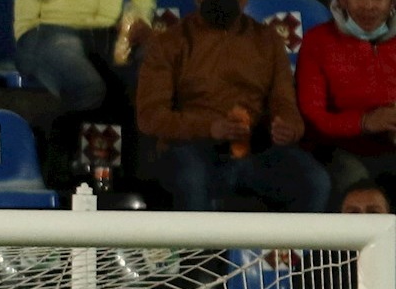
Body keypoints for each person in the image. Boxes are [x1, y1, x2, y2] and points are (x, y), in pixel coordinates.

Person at [135, 0, 328, 212]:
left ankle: (291, 246)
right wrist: (209, 127)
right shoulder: (169, 43)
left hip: (255, 150)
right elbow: (150, 116)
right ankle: (201, 247)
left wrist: (288, 128)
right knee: (192, 177)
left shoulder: (268, 40)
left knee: (314, 180)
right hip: (191, 150)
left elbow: (284, 103)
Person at [12, 0, 151, 187]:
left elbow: (140, 5)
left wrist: (136, 21)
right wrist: (27, 33)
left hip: (107, 31)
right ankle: (60, 169)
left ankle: (138, 183)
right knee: (88, 88)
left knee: (154, 83)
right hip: (47, 29)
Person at [295, 0, 396, 204]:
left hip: (390, 147)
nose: (369, 6)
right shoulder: (318, 40)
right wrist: (364, 122)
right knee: (357, 188)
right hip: (337, 149)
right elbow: (312, 114)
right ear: (341, 1)